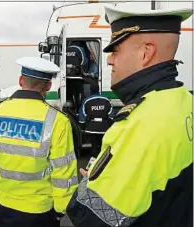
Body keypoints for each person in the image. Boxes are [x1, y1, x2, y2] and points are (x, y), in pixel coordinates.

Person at [66, 5, 193, 227]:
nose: (109, 61)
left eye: (116, 50)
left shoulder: (140, 124)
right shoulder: (183, 100)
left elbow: (91, 219)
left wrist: (89, 182)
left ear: (146, 53)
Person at [0, 57, 78, 227]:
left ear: (21, 81)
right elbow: (63, 172)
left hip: (5, 203)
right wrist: (60, 207)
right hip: (41, 209)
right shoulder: (57, 121)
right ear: (49, 86)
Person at [79, 84, 113, 157]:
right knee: (102, 145)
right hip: (104, 128)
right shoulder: (106, 99)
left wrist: (82, 126)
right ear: (99, 89)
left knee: (94, 146)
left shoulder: (87, 100)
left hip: (92, 128)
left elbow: (82, 115)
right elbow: (111, 115)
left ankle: (94, 162)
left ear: (91, 90)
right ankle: (103, 161)